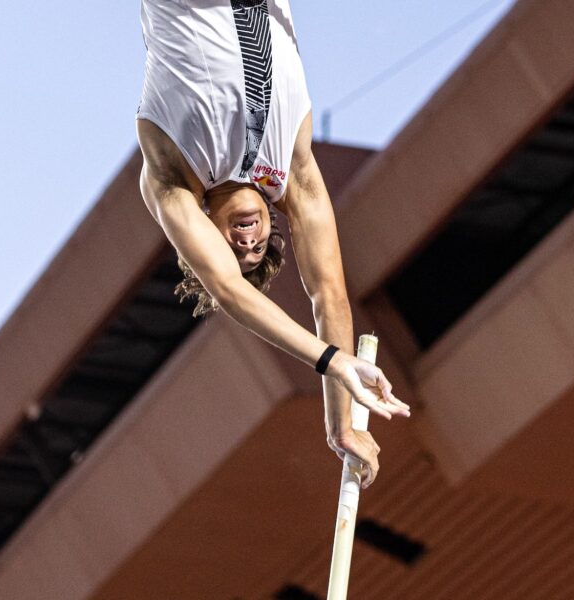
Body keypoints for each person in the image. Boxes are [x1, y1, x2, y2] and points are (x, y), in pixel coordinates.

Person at [135, 0, 410, 487]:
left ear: (204, 234)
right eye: (257, 250)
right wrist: (340, 424)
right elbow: (329, 294)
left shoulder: (172, 181)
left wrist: (330, 361)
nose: (247, 241)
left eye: (233, 249)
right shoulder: (292, 172)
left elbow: (229, 292)